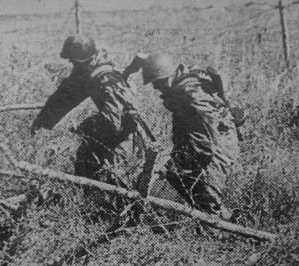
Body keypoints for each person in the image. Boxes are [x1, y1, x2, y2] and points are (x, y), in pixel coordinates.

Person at [30, 35, 149, 212]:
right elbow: (65, 96)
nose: (71, 62)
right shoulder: (88, 71)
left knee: (114, 177)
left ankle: (120, 218)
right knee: (86, 163)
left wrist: (84, 127)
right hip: (113, 128)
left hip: (124, 134)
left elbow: (113, 121)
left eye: (74, 59)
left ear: (84, 59)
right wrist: (42, 121)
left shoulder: (104, 78)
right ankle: (93, 211)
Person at [122, 52, 242, 220]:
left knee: (205, 188)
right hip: (210, 139)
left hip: (219, 144)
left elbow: (205, 144)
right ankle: (225, 219)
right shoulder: (180, 86)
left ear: (169, 76)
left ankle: (217, 229)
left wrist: (180, 162)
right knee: (178, 175)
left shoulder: (189, 94)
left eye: (158, 82)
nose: (156, 88)